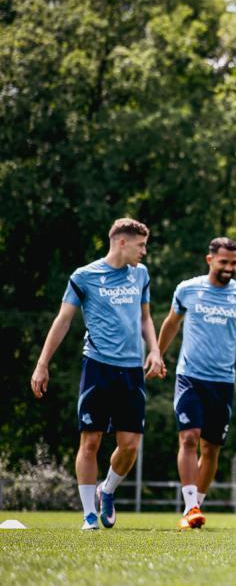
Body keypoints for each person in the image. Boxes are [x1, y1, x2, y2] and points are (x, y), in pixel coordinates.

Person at [29, 218, 166, 530]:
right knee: (89, 442)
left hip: (132, 370)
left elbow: (145, 319)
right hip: (98, 368)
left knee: (130, 444)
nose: (144, 251)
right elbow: (63, 320)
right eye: (140, 245)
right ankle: (89, 514)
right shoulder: (84, 276)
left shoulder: (141, 275)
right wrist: (42, 363)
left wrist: (155, 350)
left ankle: (108, 490)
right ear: (121, 242)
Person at [157, 237, 236, 530]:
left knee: (211, 448)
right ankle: (191, 506)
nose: (229, 268)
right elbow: (171, 323)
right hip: (190, 377)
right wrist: (158, 354)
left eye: (234, 263)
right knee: (188, 437)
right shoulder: (188, 289)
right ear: (209, 260)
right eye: (224, 262)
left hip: (223, 382)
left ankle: (195, 506)